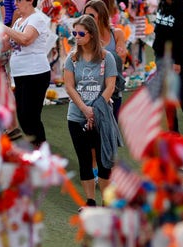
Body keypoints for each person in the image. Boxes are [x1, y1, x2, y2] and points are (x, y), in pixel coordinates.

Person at [64, 15, 117, 208]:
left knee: (104, 162)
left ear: (92, 35)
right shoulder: (73, 58)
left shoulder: (106, 57)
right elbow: (69, 87)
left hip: (101, 117)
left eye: (80, 33)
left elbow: (110, 86)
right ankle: (90, 201)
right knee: (84, 160)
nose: (76, 37)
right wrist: (85, 109)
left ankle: (107, 203)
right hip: (77, 117)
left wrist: (95, 109)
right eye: (74, 33)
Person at [0, 0, 51, 148]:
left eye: (19, 0)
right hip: (22, 74)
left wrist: (1, 26)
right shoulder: (19, 21)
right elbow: (5, 45)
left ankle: (41, 151)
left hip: (35, 73)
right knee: (23, 116)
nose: (15, 3)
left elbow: (25, 39)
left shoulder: (37, 18)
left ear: (30, 1)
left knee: (31, 116)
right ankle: (38, 150)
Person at [152, 0, 183, 137]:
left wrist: (178, 62)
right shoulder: (162, 7)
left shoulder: (181, 11)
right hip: (162, 59)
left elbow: (182, 39)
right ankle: (174, 132)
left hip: (176, 61)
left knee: (182, 96)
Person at [83, 0, 126, 119]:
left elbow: (120, 59)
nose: (87, 19)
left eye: (91, 16)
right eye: (85, 16)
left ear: (101, 16)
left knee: (112, 129)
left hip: (113, 91)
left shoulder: (117, 34)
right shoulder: (84, 36)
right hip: (90, 91)